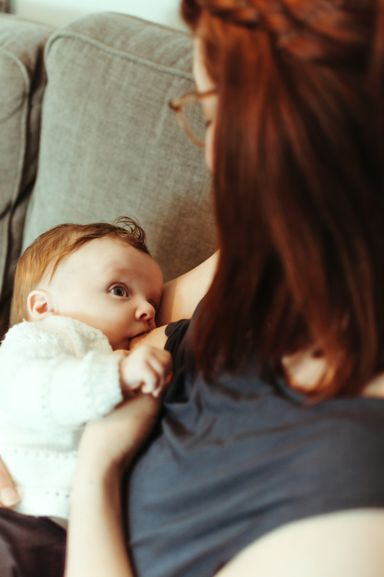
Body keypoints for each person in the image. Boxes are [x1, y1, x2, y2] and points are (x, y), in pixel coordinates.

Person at [1, 0, 384, 575]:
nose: (208, 153)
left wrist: (98, 465)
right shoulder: (269, 259)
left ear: (289, 142)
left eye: (210, 112)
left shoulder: (346, 500)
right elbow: (96, 330)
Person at [0, 217, 171, 525]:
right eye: (119, 290)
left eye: (154, 302)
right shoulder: (40, 338)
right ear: (42, 307)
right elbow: (36, 390)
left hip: (76, 522)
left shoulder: (110, 355)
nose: (147, 310)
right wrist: (116, 374)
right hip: (24, 509)